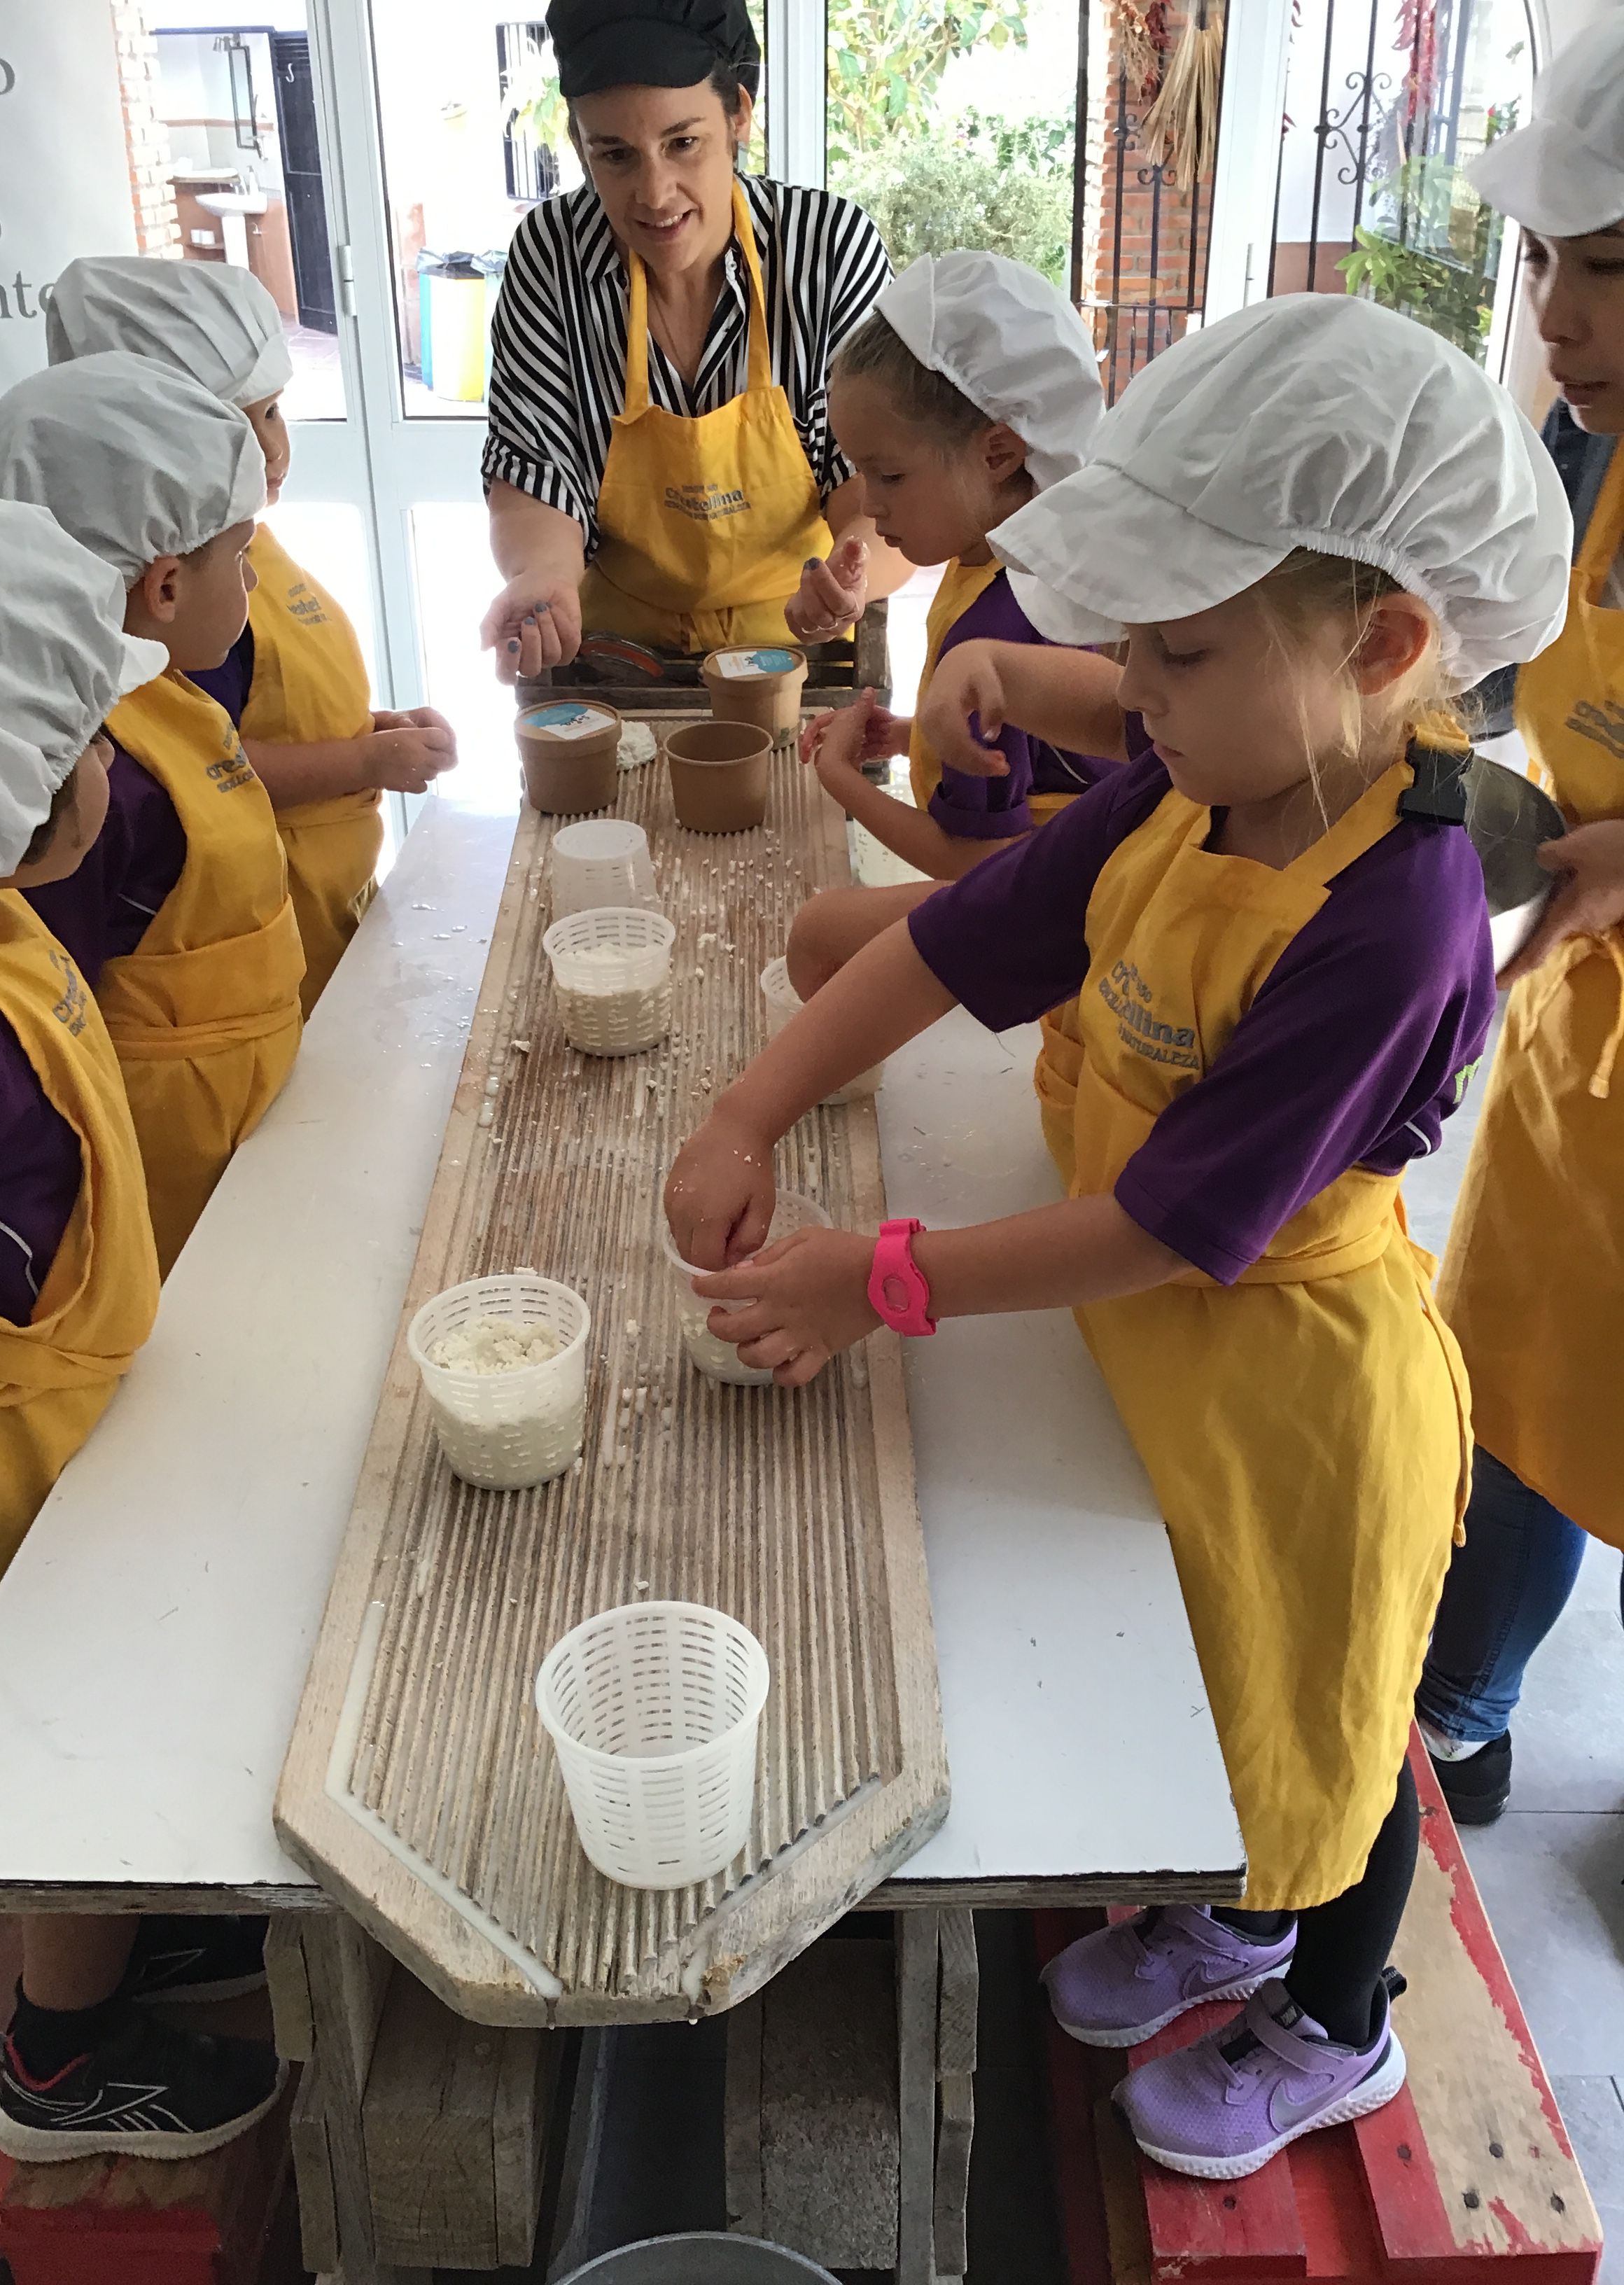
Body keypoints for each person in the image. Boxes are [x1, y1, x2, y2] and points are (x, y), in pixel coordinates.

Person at [664, 295, 1569, 2179]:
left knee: (1332, 1714)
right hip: (1171, 1365)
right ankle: (1229, 1905)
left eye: (1169, 649)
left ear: (1387, 646)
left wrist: (879, 1276)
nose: (1118, 691)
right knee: (1214, 1676)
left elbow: (1170, 1223)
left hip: (1303, 1406)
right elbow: (965, 941)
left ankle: (1335, 2019)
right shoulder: (1208, 771)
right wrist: (751, 1103)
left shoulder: (1393, 915)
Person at [0, 485, 283, 2162]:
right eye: (73, 735)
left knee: (123, 1705)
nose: (109, 768)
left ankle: (145, 1918)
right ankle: (57, 2066)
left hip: (68, 1422)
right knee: (62, 1742)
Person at [1410, 16, 1624, 1825]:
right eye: (1549, 262)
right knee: (1516, 1394)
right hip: (1587, 1027)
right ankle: (1463, 1715)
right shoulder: (1589, 448)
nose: (1558, 316)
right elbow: (1500, 684)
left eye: (1612, 270)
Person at [0, 352, 304, 1274]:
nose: (253, 582)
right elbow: (61, 999)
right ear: (166, 586)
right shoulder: (87, 777)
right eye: (239, 557)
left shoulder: (169, 695)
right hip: (173, 1164)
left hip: (247, 1112)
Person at [44, 255, 457, 1012]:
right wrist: (365, 758)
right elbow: (202, 768)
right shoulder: (176, 602)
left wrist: (366, 732)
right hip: (259, 947)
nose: (273, 447)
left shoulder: (240, 553)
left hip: (329, 915)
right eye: (243, 422)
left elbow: (268, 714)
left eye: (274, 412)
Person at [477, 0, 906, 677]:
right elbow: (536, 473)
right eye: (614, 155)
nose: (654, 194)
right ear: (579, 142)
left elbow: (882, 485)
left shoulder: (829, 248)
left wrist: (850, 577)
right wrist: (543, 579)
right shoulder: (550, 256)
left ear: (738, 113)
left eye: (683, 143)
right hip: (616, 660)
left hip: (797, 654)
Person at [785, 249, 1111, 996]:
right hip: (1075, 873)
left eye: (890, 475)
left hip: (1080, 921)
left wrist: (846, 783)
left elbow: (973, 866)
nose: (869, 504)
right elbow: (1037, 749)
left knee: (821, 931)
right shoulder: (1008, 561)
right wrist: (916, 735)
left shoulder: (1005, 618)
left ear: (999, 452)